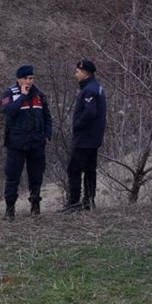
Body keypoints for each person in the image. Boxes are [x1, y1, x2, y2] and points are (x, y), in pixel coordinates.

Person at [0, 64, 53, 219]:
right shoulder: (10, 93)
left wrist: (47, 134)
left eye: (31, 78)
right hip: (16, 143)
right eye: (25, 79)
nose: (29, 82)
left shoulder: (39, 94)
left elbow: (47, 116)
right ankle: (10, 210)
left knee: (36, 176)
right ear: (18, 79)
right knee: (12, 176)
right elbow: (7, 111)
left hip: (36, 142)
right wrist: (22, 96)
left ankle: (35, 206)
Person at [62, 59, 106, 212]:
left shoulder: (89, 90)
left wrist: (77, 125)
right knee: (89, 170)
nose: (75, 75)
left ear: (85, 73)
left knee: (74, 169)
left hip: (85, 138)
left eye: (77, 72)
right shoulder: (97, 87)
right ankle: (88, 202)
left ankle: (74, 203)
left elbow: (89, 112)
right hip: (93, 138)